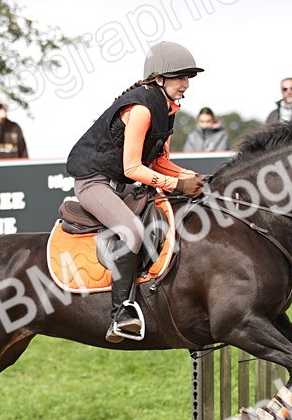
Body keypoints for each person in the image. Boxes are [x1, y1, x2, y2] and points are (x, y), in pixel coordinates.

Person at [66, 41, 206, 343]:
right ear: (159, 79)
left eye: (188, 78)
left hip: (121, 184)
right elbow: (132, 168)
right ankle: (120, 314)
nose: (186, 85)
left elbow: (159, 162)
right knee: (131, 231)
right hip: (94, 182)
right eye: (180, 77)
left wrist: (194, 176)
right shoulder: (142, 109)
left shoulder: (167, 110)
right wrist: (179, 184)